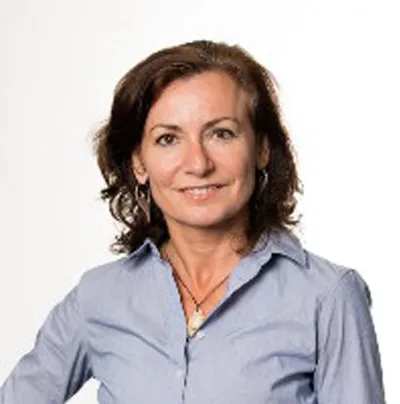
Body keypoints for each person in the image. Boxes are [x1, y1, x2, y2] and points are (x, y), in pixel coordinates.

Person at [0, 40, 385, 403]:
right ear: (139, 163)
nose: (198, 164)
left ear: (262, 149)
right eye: (168, 139)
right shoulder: (99, 297)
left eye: (221, 134)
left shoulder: (328, 296)